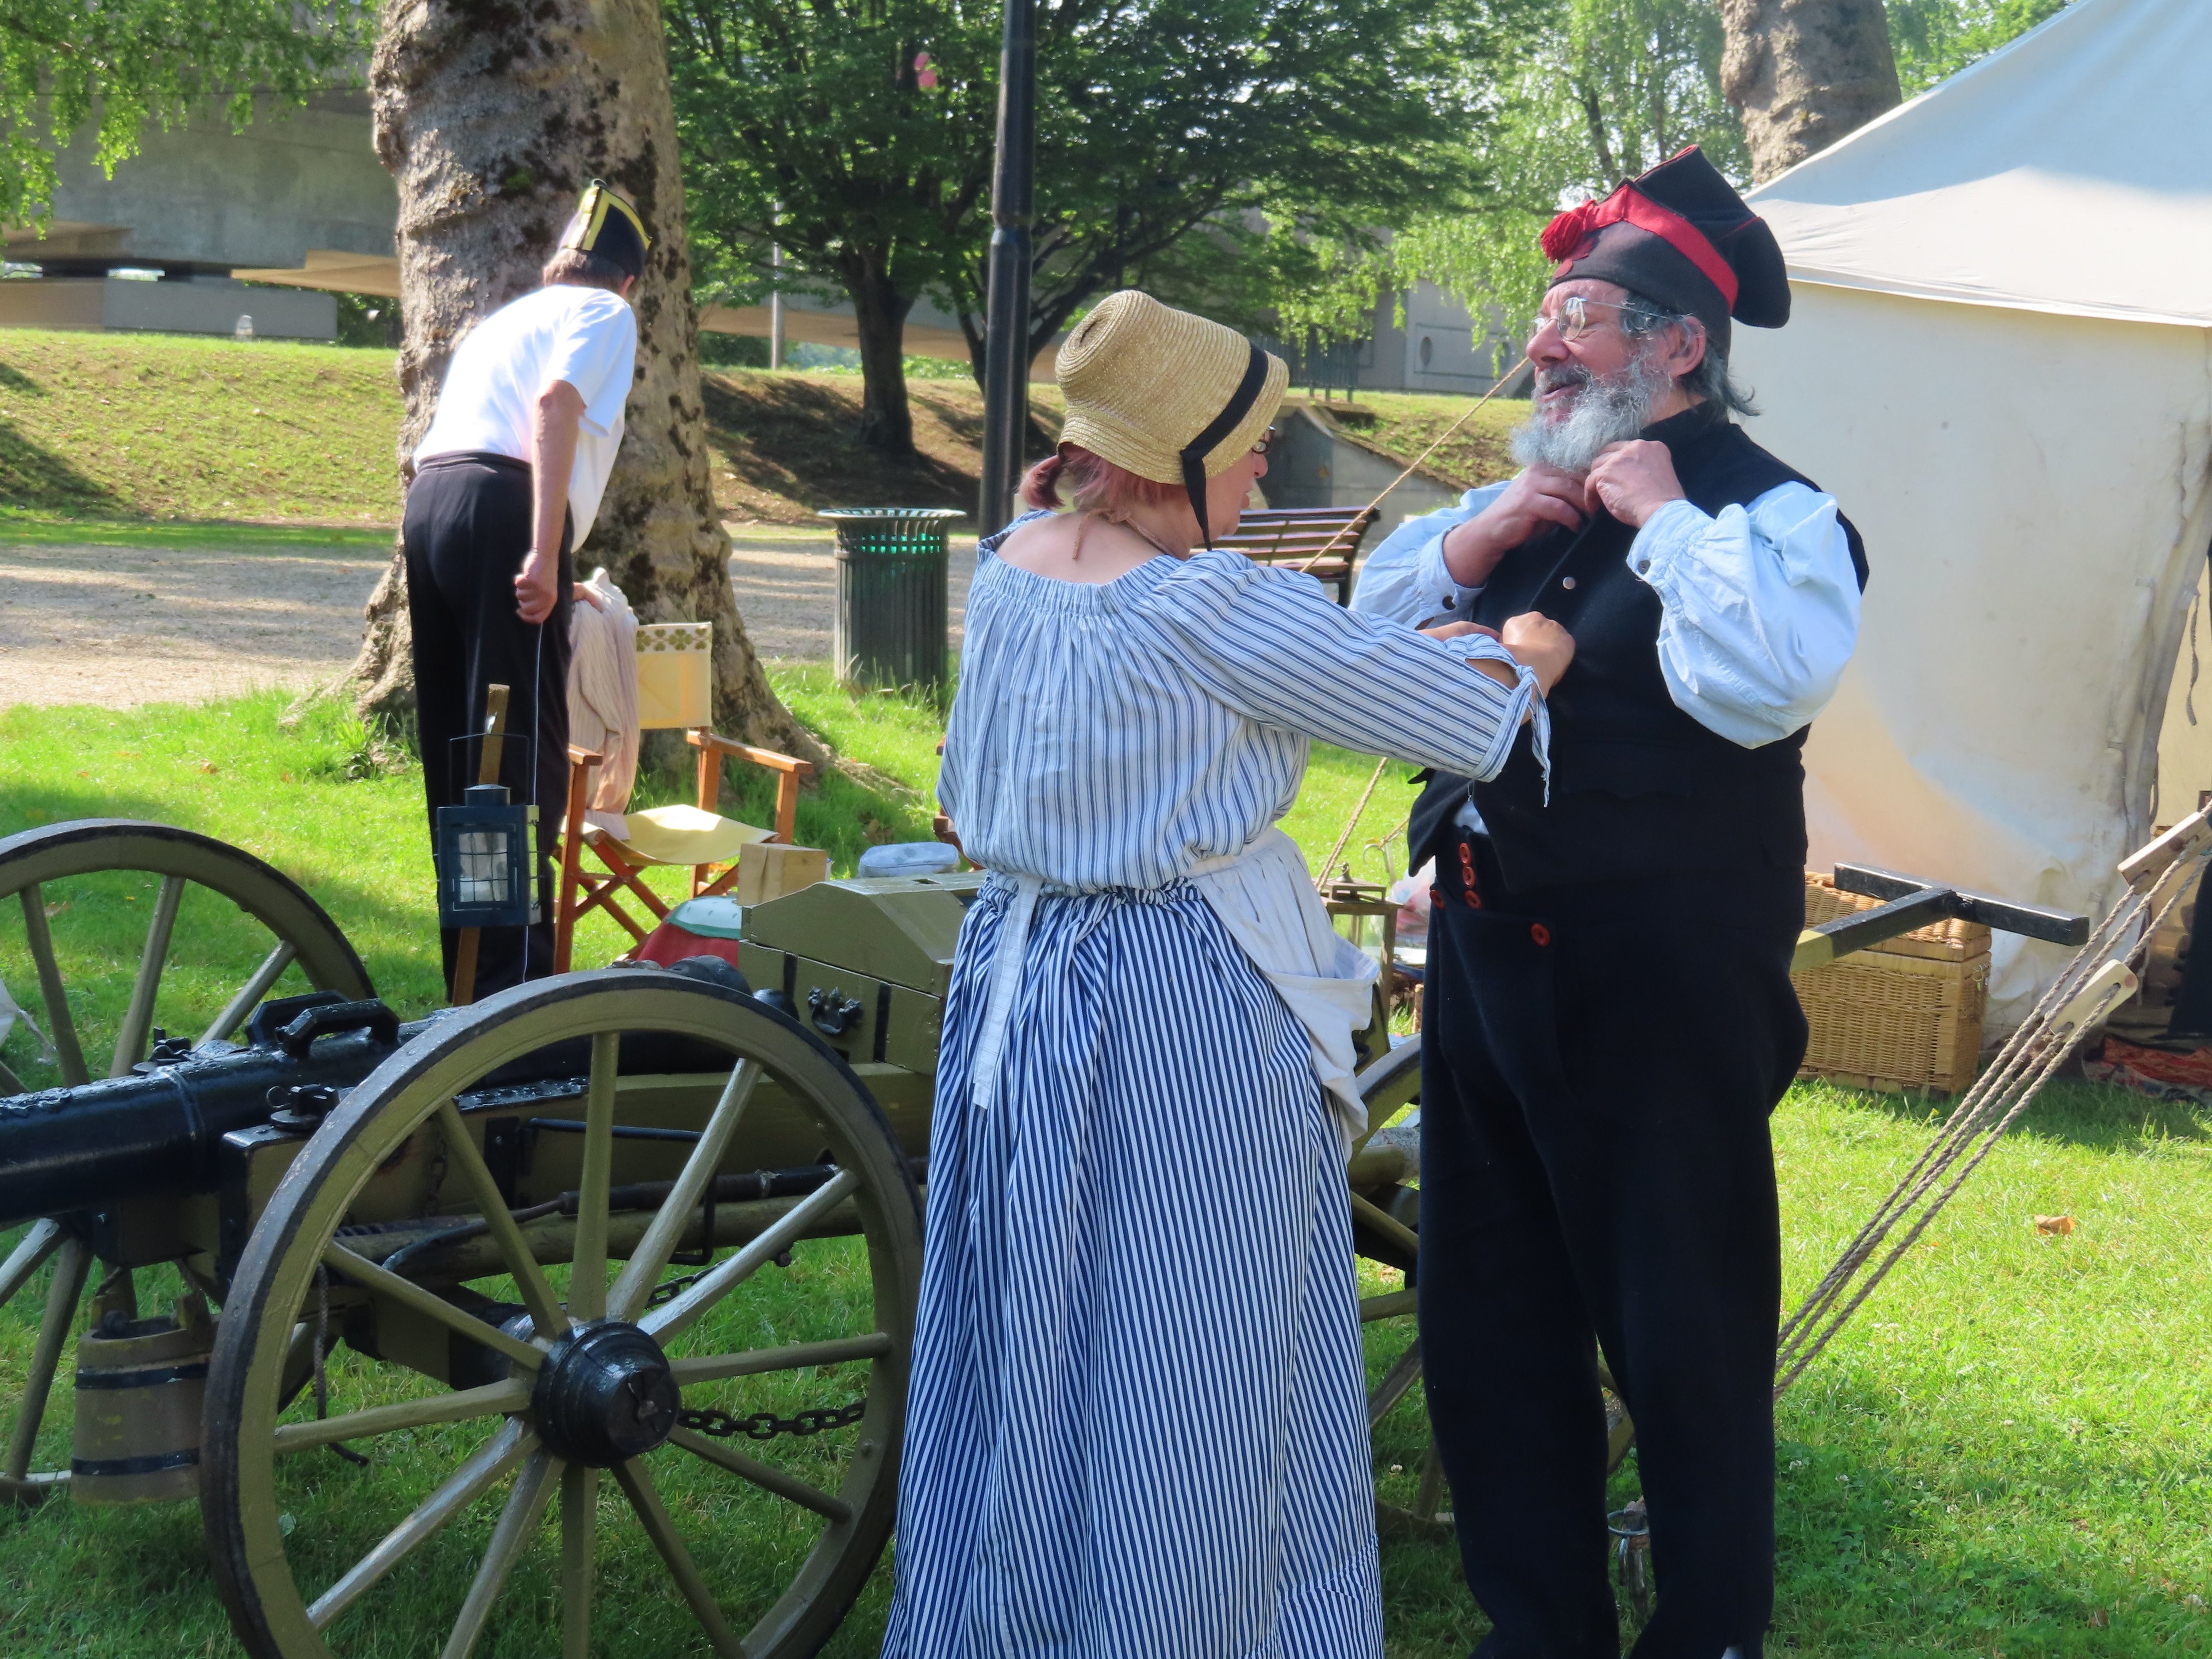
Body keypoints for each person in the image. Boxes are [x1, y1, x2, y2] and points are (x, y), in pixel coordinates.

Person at [880, 289, 1573, 1658]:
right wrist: (1525, 655)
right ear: (1174, 457)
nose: (1266, 474)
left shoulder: (1018, 553)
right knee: (1193, 1352)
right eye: (1250, 448)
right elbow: (1463, 719)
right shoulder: (1200, 602)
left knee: (1041, 1330)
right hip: (1174, 1005)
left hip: (1019, 978)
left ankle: (1019, 1617)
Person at [1351, 146, 1868, 1659]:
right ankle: (1543, 1631)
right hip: (1485, 952)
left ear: (1678, 346)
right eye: (1544, 317)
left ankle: (1703, 1634)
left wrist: (1663, 518)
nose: (1539, 344)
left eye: (1574, 314)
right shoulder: (1522, 499)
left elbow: (1769, 686)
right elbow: (1370, 658)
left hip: (1657, 980)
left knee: (1682, 1331)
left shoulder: (1771, 518)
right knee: (1491, 1321)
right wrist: (1474, 540)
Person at [403, 180, 646, 999]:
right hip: (507, 513)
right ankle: (511, 1000)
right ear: (628, 280)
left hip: (434, 502)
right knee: (513, 764)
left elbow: (463, 440)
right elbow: (554, 405)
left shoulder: (506, 320)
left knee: (459, 750)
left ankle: (468, 979)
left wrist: (555, 568)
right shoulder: (607, 314)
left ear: (559, 264)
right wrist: (545, 555)